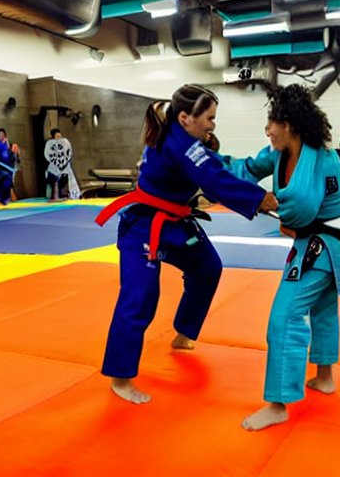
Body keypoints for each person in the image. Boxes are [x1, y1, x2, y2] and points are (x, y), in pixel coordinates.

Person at [95, 84, 278, 405]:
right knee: (140, 296)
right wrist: (260, 200)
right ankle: (120, 378)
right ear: (185, 117)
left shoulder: (188, 141)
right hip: (144, 226)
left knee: (207, 268)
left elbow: (221, 167)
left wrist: (269, 160)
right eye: (209, 118)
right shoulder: (181, 146)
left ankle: (183, 331)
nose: (212, 124)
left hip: (175, 223)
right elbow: (214, 180)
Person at [224, 84, 340, 431]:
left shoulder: (322, 160)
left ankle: (278, 403)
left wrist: (277, 213)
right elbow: (248, 168)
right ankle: (324, 377)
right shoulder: (279, 153)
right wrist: (211, 163)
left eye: (272, 123)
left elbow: (300, 208)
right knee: (324, 308)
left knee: (284, 316)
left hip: (323, 246)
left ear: (291, 125)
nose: (268, 130)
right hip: (319, 242)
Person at [44, 128, 80, 200]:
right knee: (54, 182)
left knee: (65, 181)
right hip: (53, 167)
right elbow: (48, 155)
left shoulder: (65, 142)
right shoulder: (49, 143)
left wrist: (64, 162)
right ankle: (54, 196)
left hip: (65, 167)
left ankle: (66, 195)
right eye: (57, 135)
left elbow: (68, 152)